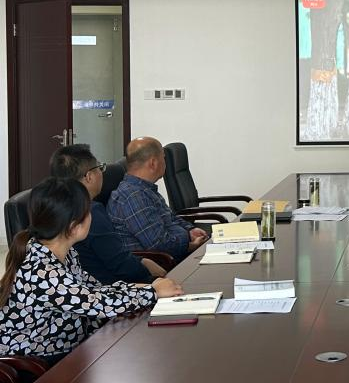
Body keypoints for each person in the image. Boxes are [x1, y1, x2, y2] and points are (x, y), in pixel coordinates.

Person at [0, 178, 182, 362]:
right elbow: (96, 303)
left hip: (67, 346)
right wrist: (151, 292)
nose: (92, 215)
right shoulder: (43, 272)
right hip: (36, 362)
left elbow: (94, 290)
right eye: (88, 211)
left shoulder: (64, 253)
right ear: (73, 227)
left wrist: (145, 288)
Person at [50, 144, 167, 284]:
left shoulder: (55, 209)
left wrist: (142, 260)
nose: (102, 173)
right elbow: (121, 265)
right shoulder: (90, 212)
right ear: (89, 177)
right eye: (100, 168)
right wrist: (150, 276)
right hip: (110, 287)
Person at [108, 137, 208, 261]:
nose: (165, 163)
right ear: (153, 163)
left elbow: (170, 217)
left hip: (177, 254)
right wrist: (190, 244)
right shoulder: (133, 197)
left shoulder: (145, 189)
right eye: (163, 158)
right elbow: (159, 245)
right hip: (164, 264)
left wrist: (190, 230)